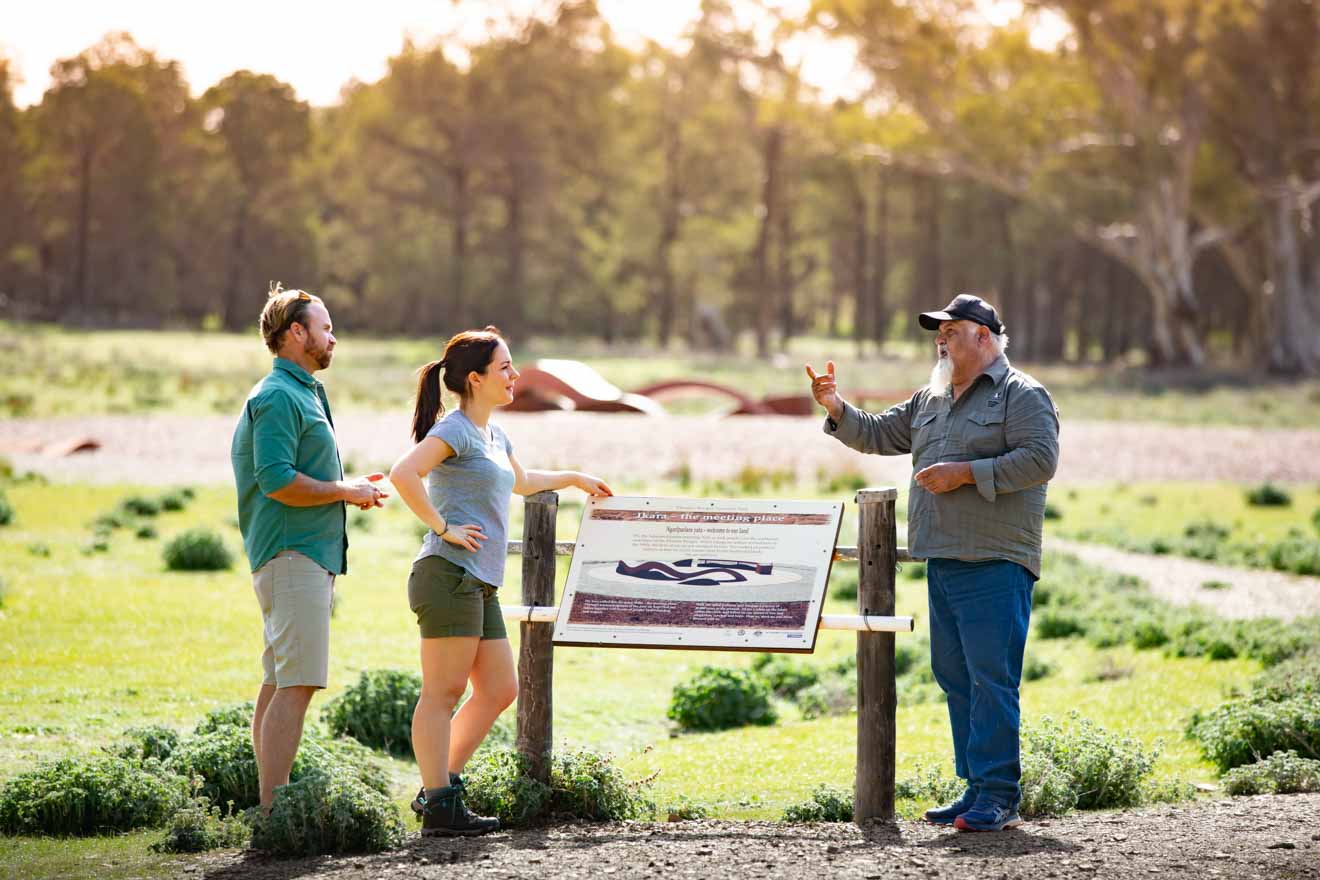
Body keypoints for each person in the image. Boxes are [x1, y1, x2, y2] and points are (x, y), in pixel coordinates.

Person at [807, 294, 1059, 833]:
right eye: (936, 332)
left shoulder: (1024, 394)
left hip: (995, 560)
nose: (940, 339)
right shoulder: (931, 398)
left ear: (984, 337)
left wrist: (966, 473)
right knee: (955, 676)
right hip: (943, 558)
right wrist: (835, 407)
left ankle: (999, 795)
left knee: (992, 679)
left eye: (951, 330)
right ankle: (975, 791)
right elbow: (876, 433)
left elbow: (1041, 461)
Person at [389, 325, 613, 837]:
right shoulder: (454, 431)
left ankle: (438, 788)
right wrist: (443, 527)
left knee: (498, 688)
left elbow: (525, 481)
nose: (515, 375)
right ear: (475, 378)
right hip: (447, 574)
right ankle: (442, 805)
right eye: (505, 368)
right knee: (442, 693)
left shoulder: (494, 434)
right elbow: (404, 473)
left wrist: (576, 478)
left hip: (479, 581)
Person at [230, 284, 389, 814]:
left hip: (301, 554)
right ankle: (275, 815)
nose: (332, 337)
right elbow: (275, 480)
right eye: (324, 327)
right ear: (295, 333)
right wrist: (345, 490)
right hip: (290, 553)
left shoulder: (303, 392)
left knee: (279, 680)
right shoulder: (278, 396)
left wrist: (349, 485)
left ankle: (268, 806)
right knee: (297, 684)